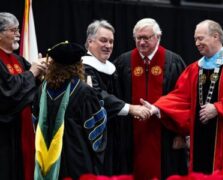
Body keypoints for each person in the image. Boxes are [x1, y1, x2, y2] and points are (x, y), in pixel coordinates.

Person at [142, 19, 223, 177]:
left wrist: (218, 108)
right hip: (200, 143)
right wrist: (157, 107)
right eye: (195, 39)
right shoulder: (194, 69)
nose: (197, 43)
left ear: (216, 37)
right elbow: (179, 97)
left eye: (200, 38)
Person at [114, 18, 187, 179]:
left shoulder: (174, 62)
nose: (141, 42)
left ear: (158, 37)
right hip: (130, 135)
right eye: (138, 38)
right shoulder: (123, 62)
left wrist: (181, 134)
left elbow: (183, 99)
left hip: (165, 135)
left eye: (146, 38)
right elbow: (116, 98)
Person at [82, 19, 151, 175]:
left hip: (114, 135)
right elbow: (98, 96)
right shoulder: (83, 68)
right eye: (103, 40)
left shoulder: (111, 68)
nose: (108, 45)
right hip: (93, 136)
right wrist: (131, 108)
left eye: (111, 41)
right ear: (90, 41)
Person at [32, 41, 108, 179]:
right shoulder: (84, 91)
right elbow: (97, 126)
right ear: (78, 65)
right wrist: (97, 99)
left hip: (46, 157)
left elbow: (36, 121)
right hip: (76, 160)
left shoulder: (42, 89)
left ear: (53, 65)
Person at [0, 12, 46, 180]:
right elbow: (6, 92)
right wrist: (32, 73)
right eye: (14, 30)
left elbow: (31, 86)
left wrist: (41, 73)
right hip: (5, 132)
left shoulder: (19, 60)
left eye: (19, 30)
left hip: (23, 126)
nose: (18, 34)